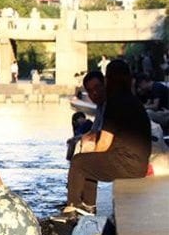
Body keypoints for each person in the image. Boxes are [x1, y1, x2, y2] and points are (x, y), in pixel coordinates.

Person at [52, 60, 151, 222]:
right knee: (89, 163)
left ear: (108, 80)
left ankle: (72, 209)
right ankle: (88, 207)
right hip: (138, 163)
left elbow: (104, 143)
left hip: (127, 163)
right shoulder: (130, 100)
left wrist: (83, 153)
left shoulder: (115, 102)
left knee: (79, 163)